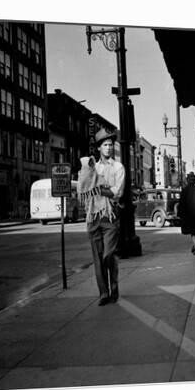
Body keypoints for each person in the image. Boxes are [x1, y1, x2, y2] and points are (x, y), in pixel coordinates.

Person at [77, 129, 125, 306]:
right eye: (105, 145)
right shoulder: (91, 167)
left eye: (111, 145)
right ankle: (104, 293)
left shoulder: (118, 167)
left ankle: (114, 288)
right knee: (97, 257)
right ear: (99, 148)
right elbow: (83, 188)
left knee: (108, 255)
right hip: (93, 216)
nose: (109, 148)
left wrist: (98, 188)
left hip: (110, 216)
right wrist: (96, 185)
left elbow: (116, 192)